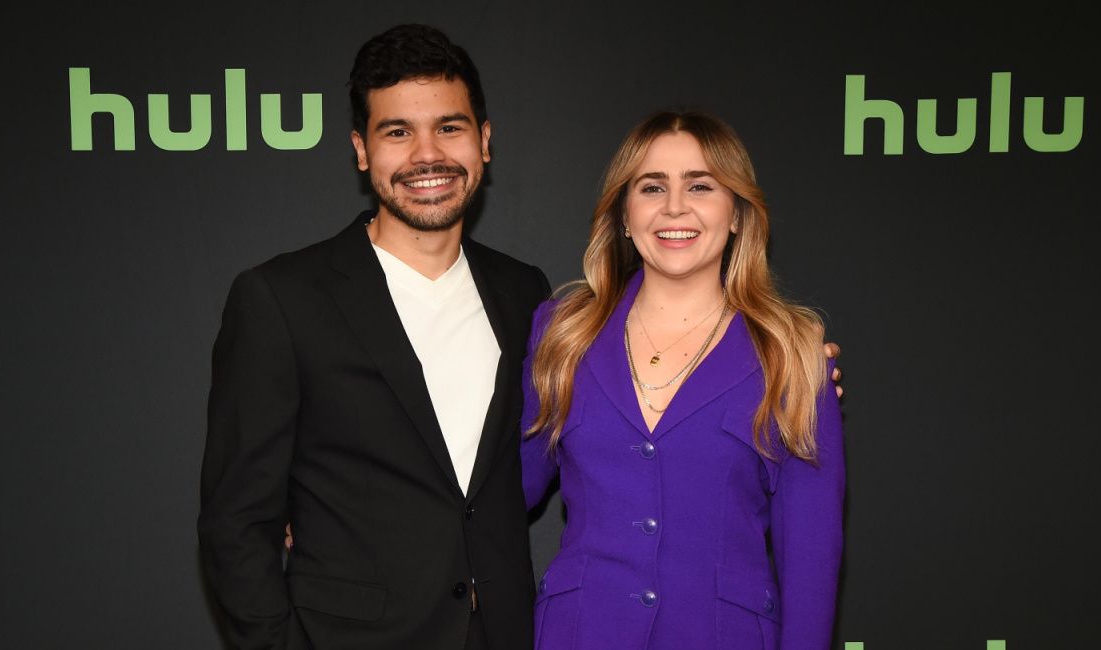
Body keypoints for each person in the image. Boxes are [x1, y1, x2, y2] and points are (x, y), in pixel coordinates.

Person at [197, 25, 549, 649]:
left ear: (484, 141)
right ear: (362, 150)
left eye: (449, 127)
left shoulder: (525, 292)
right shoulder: (282, 298)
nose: (426, 155)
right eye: (397, 132)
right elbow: (236, 522)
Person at [521, 111, 845, 650]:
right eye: (652, 187)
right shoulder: (562, 333)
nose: (675, 207)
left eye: (700, 185)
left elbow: (811, 560)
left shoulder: (792, 354)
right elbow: (506, 492)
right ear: (625, 214)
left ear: (738, 212)